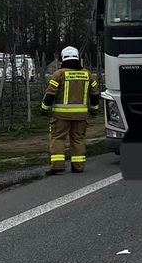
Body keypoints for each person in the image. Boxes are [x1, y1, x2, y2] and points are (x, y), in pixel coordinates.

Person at [41, 46, 101, 175]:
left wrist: (44, 109)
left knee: (58, 138)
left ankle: (57, 166)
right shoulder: (88, 74)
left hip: (61, 116)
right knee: (78, 139)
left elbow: (50, 94)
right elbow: (95, 95)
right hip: (81, 116)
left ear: (63, 58)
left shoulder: (59, 74)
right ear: (78, 58)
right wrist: (94, 110)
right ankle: (78, 166)